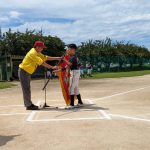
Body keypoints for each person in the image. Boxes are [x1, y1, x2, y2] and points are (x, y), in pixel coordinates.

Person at [18, 41, 61, 110]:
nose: (42, 49)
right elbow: (42, 63)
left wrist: (57, 58)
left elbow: (46, 57)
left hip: (26, 72)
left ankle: (29, 104)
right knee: (26, 89)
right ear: (37, 47)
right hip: (24, 72)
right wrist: (52, 67)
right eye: (42, 48)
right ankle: (28, 105)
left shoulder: (37, 52)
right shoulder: (33, 53)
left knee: (27, 89)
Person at [63, 44, 84, 108]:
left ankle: (72, 104)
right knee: (76, 88)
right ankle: (80, 102)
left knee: (71, 88)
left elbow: (69, 64)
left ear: (72, 50)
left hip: (75, 72)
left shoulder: (73, 57)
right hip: (75, 72)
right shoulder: (72, 57)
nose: (67, 50)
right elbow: (67, 66)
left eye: (68, 49)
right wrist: (59, 69)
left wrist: (64, 59)